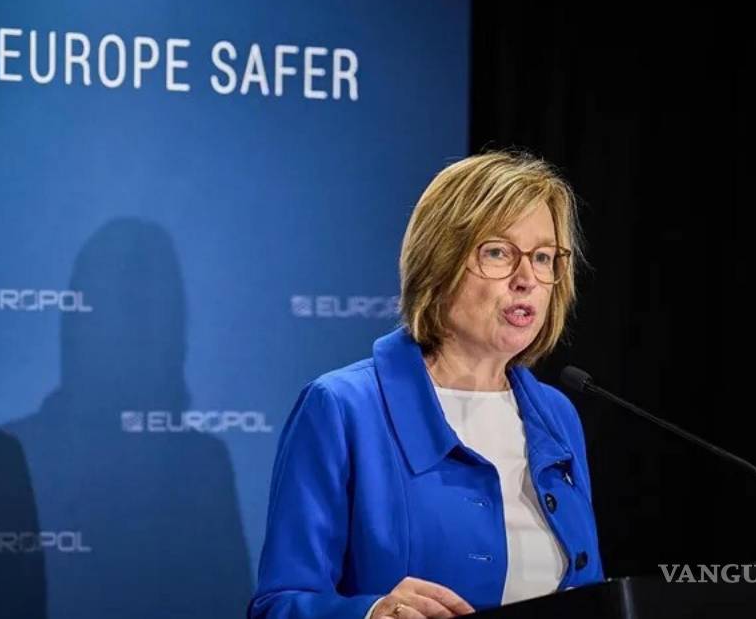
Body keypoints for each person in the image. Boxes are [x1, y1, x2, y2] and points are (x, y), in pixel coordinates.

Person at [249, 152, 605, 619]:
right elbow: (279, 604)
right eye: (498, 252)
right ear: (440, 262)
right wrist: (373, 613)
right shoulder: (343, 407)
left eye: (543, 258)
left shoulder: (555, 414)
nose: (526, 280)